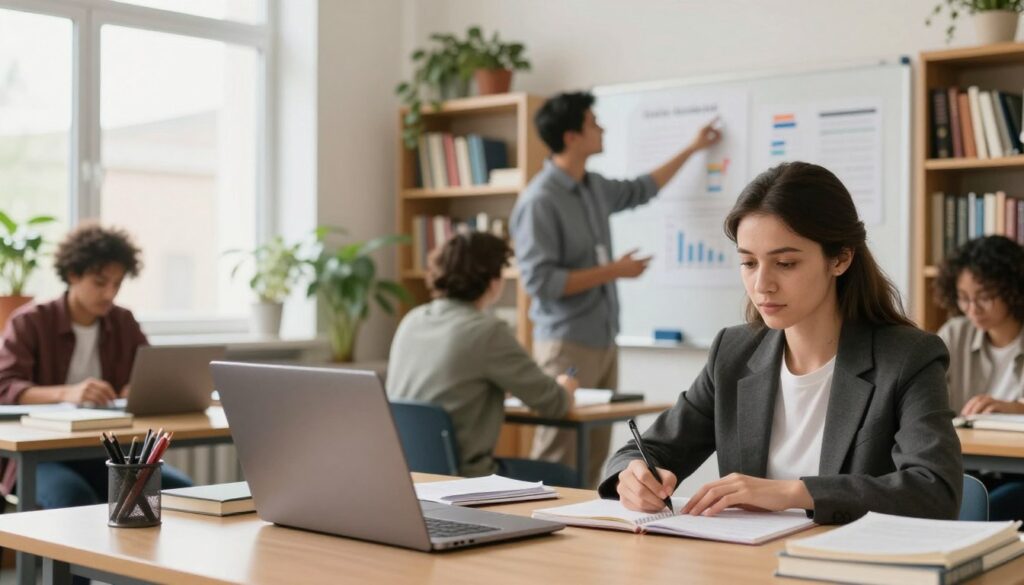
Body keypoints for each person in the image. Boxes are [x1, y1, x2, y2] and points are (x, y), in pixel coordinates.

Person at [599, 162, 962, 524]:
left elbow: (934, 490)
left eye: (785, 263)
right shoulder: (734, 352)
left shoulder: (907, 358)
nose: (762, 285)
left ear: (841, 258)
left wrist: (792, 492)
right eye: (748, 263)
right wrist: (632, 478)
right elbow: (646, 450)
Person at [511, 90, 722, 487]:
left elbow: (644, 187)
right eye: (594, 122)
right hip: (565, 344)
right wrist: (612, 270)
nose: (602, 128)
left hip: (602, 338)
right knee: (558, 454)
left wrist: (694, 147)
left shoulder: (593, 187)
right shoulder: (540, 200)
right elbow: (541, 283)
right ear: (572, 137)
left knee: (593, 457)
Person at [0, 224, 193, 512]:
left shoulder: (123, 322)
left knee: (186, 491)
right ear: (72, 274)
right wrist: (68, 393)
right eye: (100, 282)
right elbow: (5, 386)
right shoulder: (30, 322)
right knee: (74, 498)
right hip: (39, 454)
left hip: (104, 450)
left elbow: (151, 377)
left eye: (117, 284)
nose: (109, 293)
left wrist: (137, 390)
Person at [387, 232, 580, 487]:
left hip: (410, 473)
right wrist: (566, 387)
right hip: (465, 478)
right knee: (566, 476)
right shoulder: (487, 331)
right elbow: (553, 402)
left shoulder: (413, 320)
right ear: (493, 281)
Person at [934, 235, 1024, 521]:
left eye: (984, 297)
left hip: (1017, 472)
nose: (972, 308)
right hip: (965, 467)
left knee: (981, 510)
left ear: (1013, 290)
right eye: (963, 298)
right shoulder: (955, 333)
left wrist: (1015, 409)